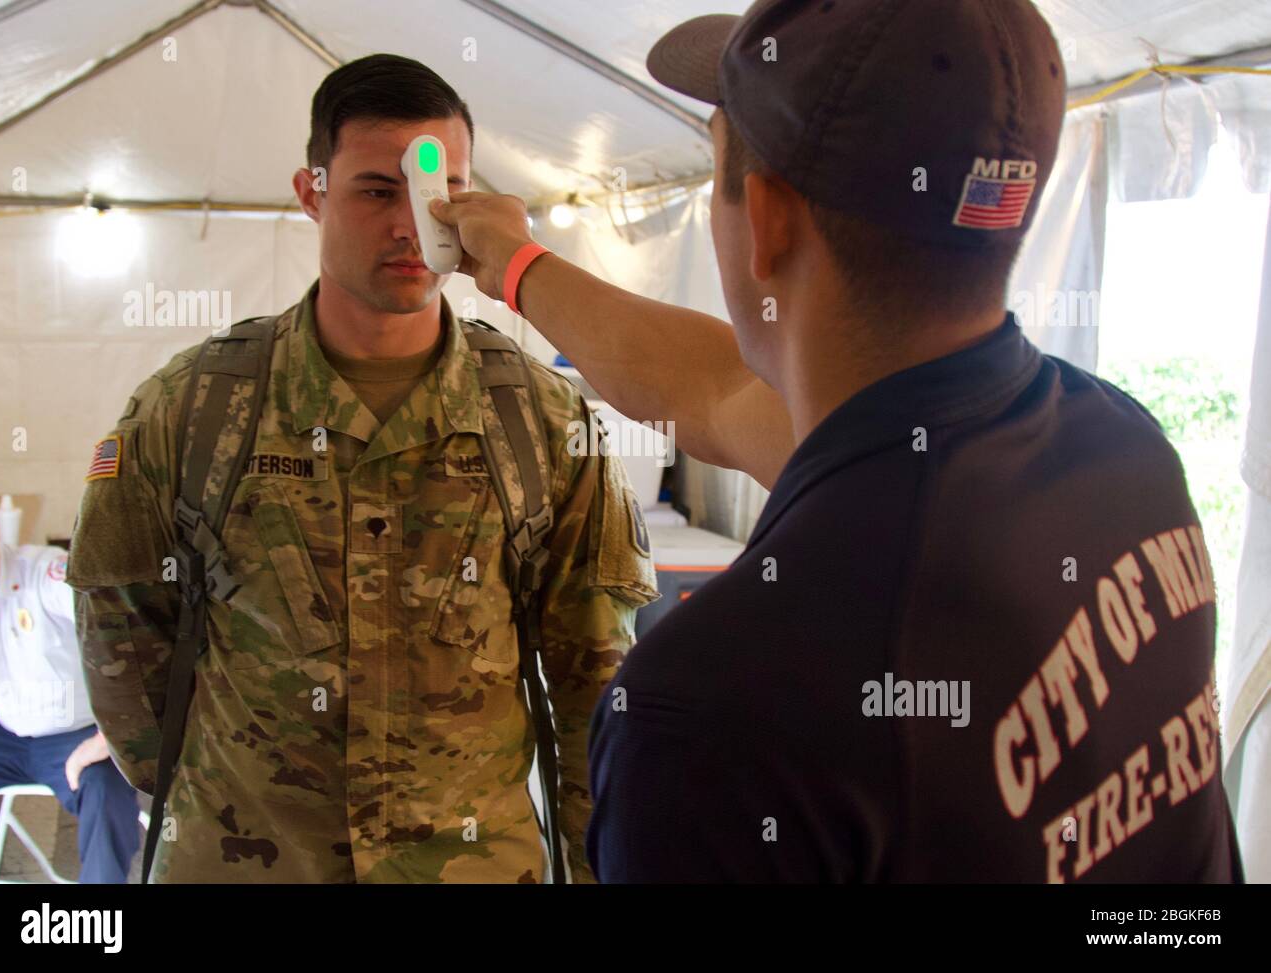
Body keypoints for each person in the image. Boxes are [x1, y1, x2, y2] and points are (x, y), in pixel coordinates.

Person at [430, 0, 1244, 881]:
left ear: (769, 219)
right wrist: (515, 265)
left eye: (717, 168)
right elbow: (709, 388)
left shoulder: (712, 715)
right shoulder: (1123, 449)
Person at [66, 54, 658, 884]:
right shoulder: (193, 411)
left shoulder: (540, 422)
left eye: (440, 191)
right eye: (378, 190)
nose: (413, 225)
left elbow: (593, 683)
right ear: (312, 192)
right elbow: (125, 653)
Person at [0, 492, 141, 883]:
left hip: (79, 733)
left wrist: (110, 738)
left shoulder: (47, 575)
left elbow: (134, 641)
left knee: (105, 789)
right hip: (3, 733)